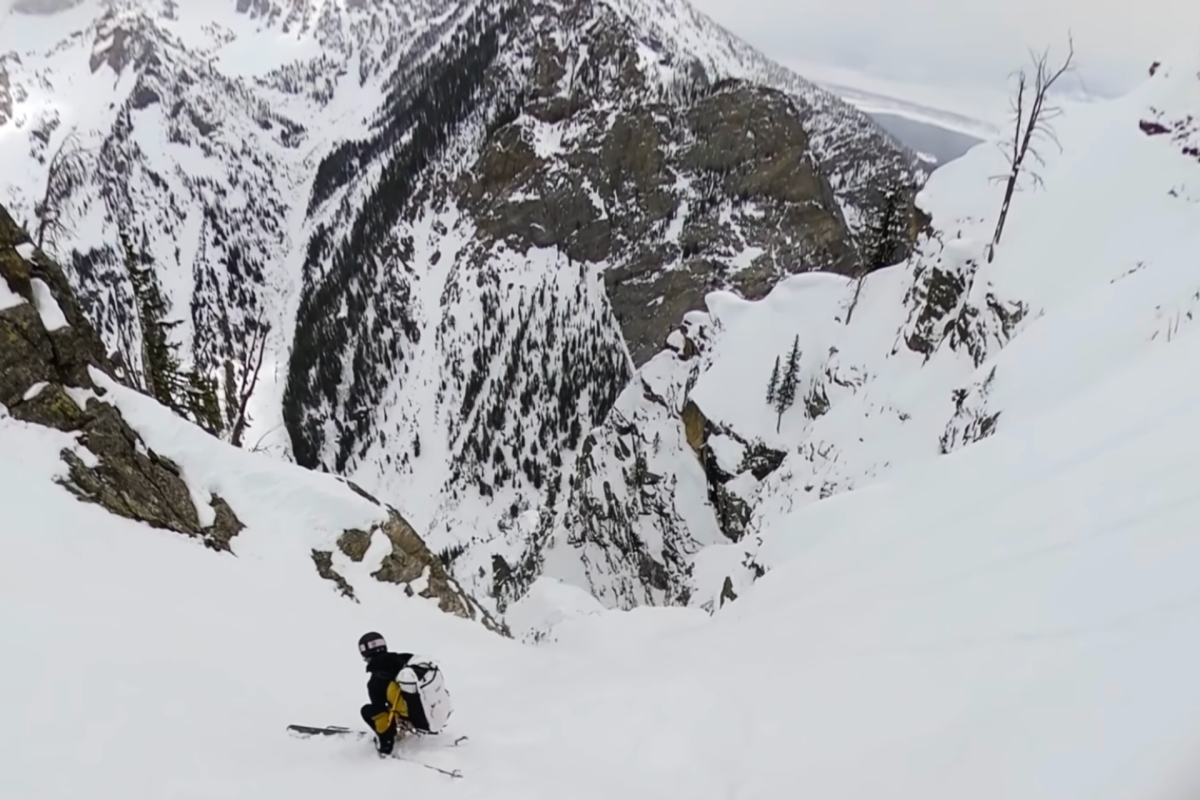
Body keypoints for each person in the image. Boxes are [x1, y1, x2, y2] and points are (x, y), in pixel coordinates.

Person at [358, 631, 416, 755]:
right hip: (429, 708)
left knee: (369, 711)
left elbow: (380, 710)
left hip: (410, 713)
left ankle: (386, 741)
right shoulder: (406, 658)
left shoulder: (376, 680)